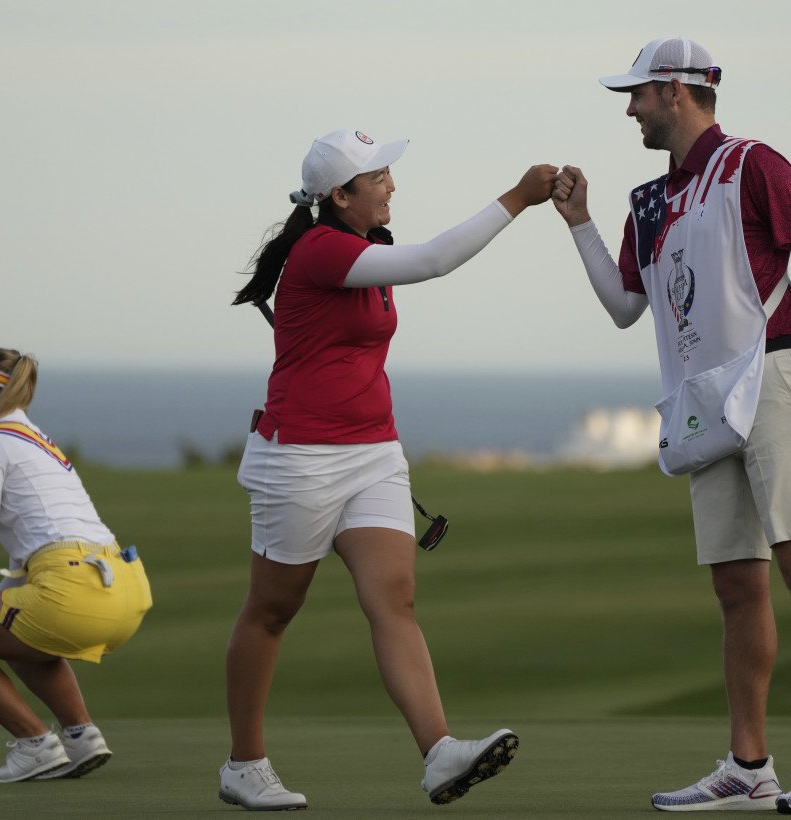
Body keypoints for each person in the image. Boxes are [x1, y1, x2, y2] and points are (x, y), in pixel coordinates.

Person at [552, 37, 791, 814]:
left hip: (777, 374)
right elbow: (627, 306)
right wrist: (579, 223)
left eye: (638, 95)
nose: (629, 109)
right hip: (704, 402)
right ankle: (749, 763)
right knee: (737, 584)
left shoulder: (752, 163)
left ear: (675, 91)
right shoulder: (651, 199)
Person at [220, 128, 556, 811]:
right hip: (302, 457)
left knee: (394, 598)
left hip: (374, 452)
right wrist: (520, 197)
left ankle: (437, 753)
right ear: (340, 195)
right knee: (273, 609)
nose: (392, 185)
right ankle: (244, 764)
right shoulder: (321, 250)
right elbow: (435, 261)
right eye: (378, 177)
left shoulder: (366, 249)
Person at [0, 345, 153, 783]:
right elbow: (28, 560)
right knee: (16, 626)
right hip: (126, 587)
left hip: (73, 590)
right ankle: (80, 735)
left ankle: (36, 745)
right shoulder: (39, 440)